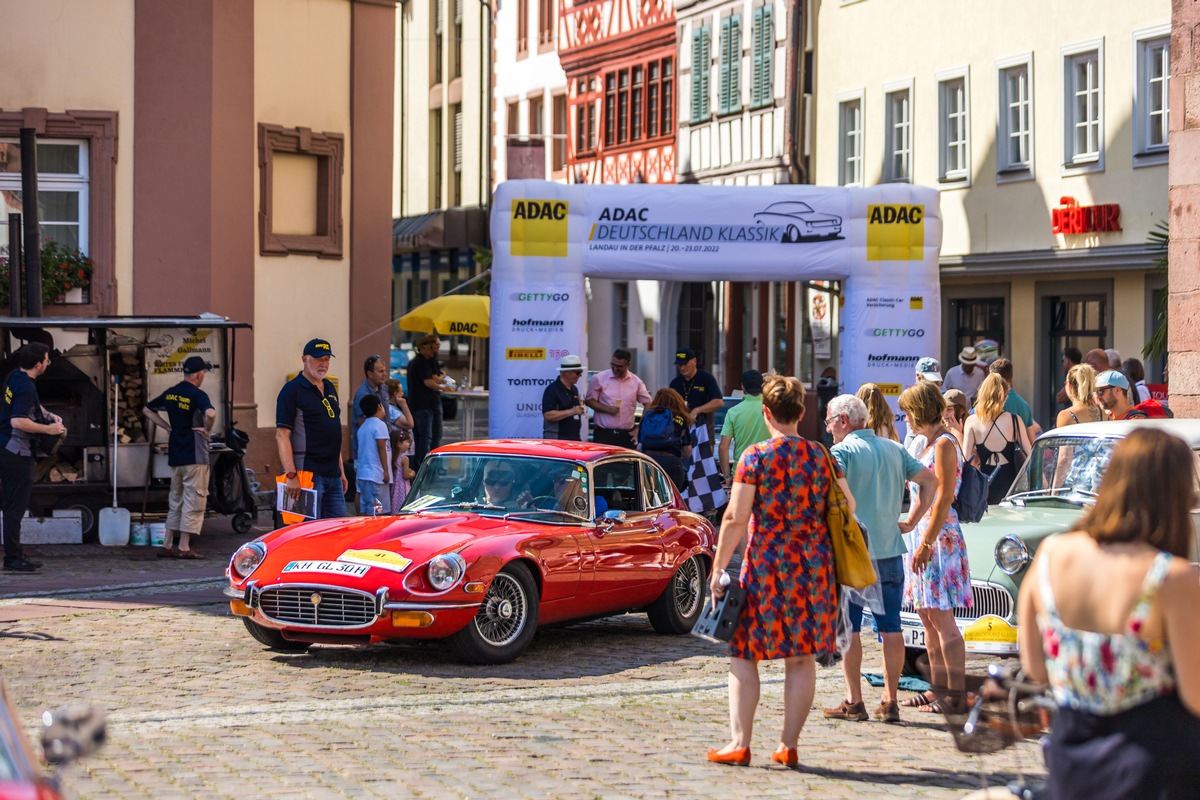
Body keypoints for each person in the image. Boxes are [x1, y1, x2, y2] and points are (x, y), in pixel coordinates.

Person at [1017, 429, 1200, 799]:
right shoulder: (1170, 577)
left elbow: (1036, 669)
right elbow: (1196, 695)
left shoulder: (1051, 555)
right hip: (1154, 769)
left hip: (1071, 763)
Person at [706, 374, 847, 767]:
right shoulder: (822, 456)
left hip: (766, 564)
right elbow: (847, 506)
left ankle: (740, 742)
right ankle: (788, 745)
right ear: (802, 412)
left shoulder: (754, 458)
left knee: (744, 653)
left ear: (766, 412)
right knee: (801, 657)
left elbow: (735, 518)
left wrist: (718, 568)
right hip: (814, 567)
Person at [822, 395, 937, 724]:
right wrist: (912, 522)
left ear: (844, 420)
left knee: (851, 630)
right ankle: (889, 700)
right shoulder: (893, 448)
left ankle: (854, 700)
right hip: (890, 550)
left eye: (830, 421)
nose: (828, 428)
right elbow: (931, 482)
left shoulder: (841, 452)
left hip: (853, 554)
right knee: (891, 629)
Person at [896, 381, 972, 714]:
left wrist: (925, 541)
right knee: (927, 617)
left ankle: (955, 693)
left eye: (908, 413)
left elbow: (943, 498)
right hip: (927, 535)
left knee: (942, 619)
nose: (906, 420)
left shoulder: (943, 442)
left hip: (939, 539)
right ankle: (938, 688)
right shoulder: (928, 442)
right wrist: (911, 526)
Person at [143, 355, 217, 559]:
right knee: (194, 500)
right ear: (199, 374)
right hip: (195, 455)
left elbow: (147, 410)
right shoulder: (198, 395)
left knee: (176, 499)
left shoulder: (172, 393)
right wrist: (207, 429)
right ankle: (184, 547)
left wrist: (168, 427)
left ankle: (167, 544)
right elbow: (210, 414)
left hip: (176, 455)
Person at [0, 343, 65, 572]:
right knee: (14, 508)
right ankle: (13, 559)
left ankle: (15, 554)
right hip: (15, 450)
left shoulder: (16, 376)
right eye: (47, 360)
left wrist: (47, 414)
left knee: (11, 505)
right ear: (38, 364)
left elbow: (30, 405)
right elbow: (17, 420)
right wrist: (49, 429)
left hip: (5, 445)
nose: (48, 362)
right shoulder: (26, 386)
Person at [276, 338, 347, 520]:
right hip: (306, 474)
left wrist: (341, 470)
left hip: (333, 475)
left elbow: (334, 430)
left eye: (326, 359)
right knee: (304, 533)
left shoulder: (330, 387)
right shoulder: (292, 390)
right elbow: (282, 435)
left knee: (336, 532)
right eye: (318, 359)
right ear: (304, 359)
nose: (323, 364)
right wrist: (291, 474)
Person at [963, 373, 1033, 505]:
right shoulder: (1015, 421)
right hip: (1011, 488)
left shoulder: (971, 422)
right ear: (1004, 397)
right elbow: (1031, 455)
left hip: (984, 487)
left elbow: (966, 460)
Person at [584, 348, 651, 448]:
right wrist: (607, 409)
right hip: (604, 434)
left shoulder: (636, 382)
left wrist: (639, 428)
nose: (615, 369)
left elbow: (648, 403)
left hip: (626, 435)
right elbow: (589, 401)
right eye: (613, 365)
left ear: (628, 365)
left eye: (619, 366)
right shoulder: (599, 378)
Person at [718, 370, 770, 482]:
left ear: (743, 388)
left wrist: (727, 476)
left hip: (742, 471)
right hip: (768, 471)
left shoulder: (733, 412)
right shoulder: (772, 410)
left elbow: (723, 447)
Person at [407, 334, 448, 470]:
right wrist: (443, 386)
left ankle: (435, 465)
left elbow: (436, 376)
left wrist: (441, 379)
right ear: (424, 347)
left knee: (436, 435)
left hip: (433, 403)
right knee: (424, 438)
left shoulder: (431, 360)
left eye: (437, 347)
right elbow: (429, 381)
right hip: (421, 405)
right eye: (433, 347)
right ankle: (423, 466)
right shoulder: (418, 362)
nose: (435, 350)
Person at [637, 388, 692, 490]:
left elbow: (639, 445)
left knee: (651, 500)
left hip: (649, 462)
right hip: (672, 464)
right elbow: (687, 452)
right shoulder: (680, 419)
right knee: (672, 500)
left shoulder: (648, 417)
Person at [669, 348, 723, 433]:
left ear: (694, 361)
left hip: (704, 431)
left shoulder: (706, 378)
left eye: (685, 364)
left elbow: (719, 402)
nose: (682, 368)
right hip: (681, 431)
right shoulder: (675, 382)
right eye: (680, 365)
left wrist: (697, 410)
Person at [354, 395, 391, 515]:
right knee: (377, 509)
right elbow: (381, 447)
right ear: (379, 407)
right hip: (376, 475)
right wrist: (386, 471)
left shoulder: (363, 426)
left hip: (363, 474)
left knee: (365, 507)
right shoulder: (380, 425)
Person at [988, 358, 1042, 440]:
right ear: (1012, 375)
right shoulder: (1024, 404)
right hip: (1020, 451)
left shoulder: (990, 404)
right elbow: (1032, 439)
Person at [350, 353, 390, 458]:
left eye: (384, 370)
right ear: (370, 374)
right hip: (368, 452)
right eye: (380, 371)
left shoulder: (383, 388)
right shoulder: (363, 395)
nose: (385, 374)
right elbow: (363, 424)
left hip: (385, 447)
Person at [541, 355, 587, 440]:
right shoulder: (552, 390)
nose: (580, 375)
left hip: (573, 439)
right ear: (566, 372)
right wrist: (572, 411)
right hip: (557, 440)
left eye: (581, 371)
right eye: (578, 372)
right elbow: (548, 415)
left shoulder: (574, 389)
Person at [904, 357, 942, 456]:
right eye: (929, 381)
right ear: (918, 377)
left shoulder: (943, 400)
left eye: (936, 381)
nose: (934, 385)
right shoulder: (910, 398)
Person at [389, 426, 414, 511]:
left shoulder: (392, 457)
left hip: (394, 486)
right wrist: (412, 473)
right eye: (406, 442)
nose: (408, 444)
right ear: (399, 444)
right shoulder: (404, 458)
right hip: (402, 487)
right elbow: (405, 475)